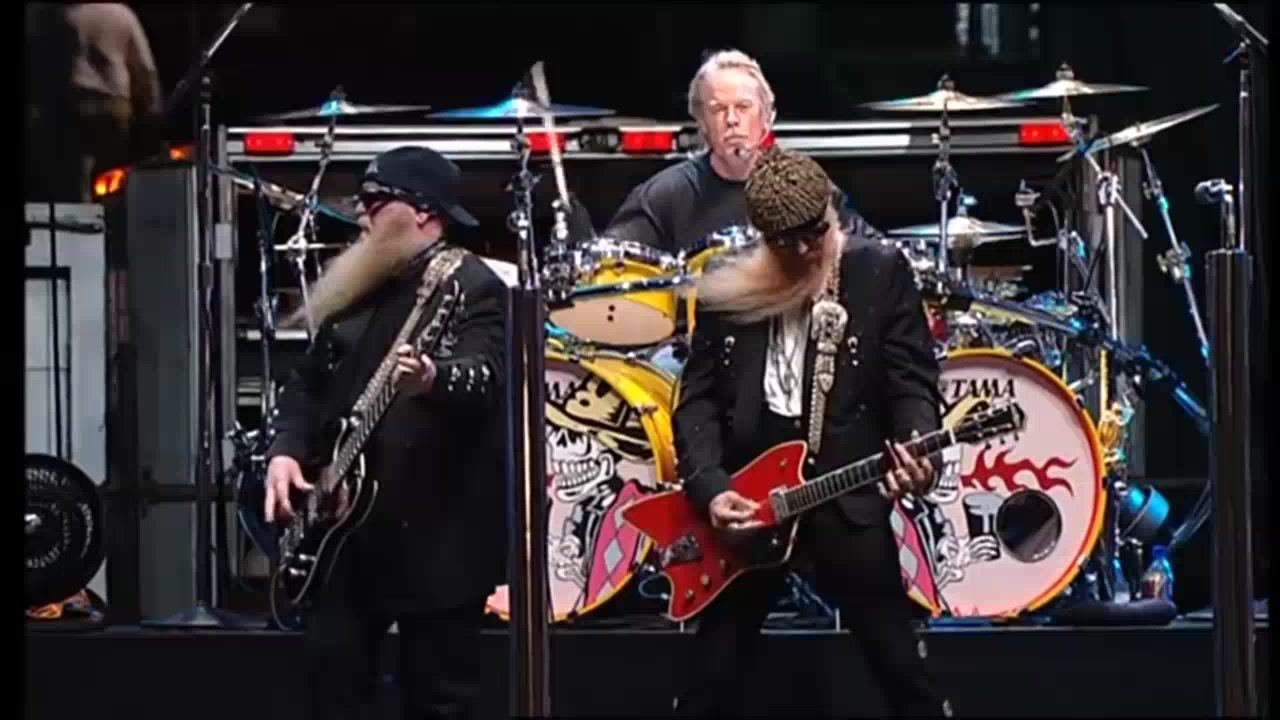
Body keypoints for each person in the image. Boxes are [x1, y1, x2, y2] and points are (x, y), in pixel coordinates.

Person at [670, 144, 954, 717]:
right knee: (709, 681)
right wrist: (713, 488)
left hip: (843, 498)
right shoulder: (728, 283)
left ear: (830, 214)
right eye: (785, 242)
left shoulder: (878, 270)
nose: (804, 251)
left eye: (814, 234)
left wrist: (919, 451)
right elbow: (696, 401)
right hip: (752, 505)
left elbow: (911, 383)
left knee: (902, 669)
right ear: (761, 234)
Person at [263, 146, 509, 720]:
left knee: (440, 699)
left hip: (437, 535)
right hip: (347, 534)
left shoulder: (470, 285)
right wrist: (287, 450)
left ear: (424, 211)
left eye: (376, 201)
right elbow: (308, 383)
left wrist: (433, 378)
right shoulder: (360, 284)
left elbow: (485, 376)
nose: (362, 213)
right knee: (333, 685)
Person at [602, 49, 884, 258]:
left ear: (767, 117)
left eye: (743, 107)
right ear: (702, 123)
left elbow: (873, 253)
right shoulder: (664, 195)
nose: (731, 120)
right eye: (718, 109)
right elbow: (610, 265)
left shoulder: (805, 185)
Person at [25, 3, 164, 202]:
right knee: (113, 172)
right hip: (114, 105)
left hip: (76, 104)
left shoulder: (63, 15)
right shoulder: (122, 15)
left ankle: (83, 207)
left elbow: (46, 68)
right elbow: (145, 68)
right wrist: (153, 108)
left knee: (77, 174)